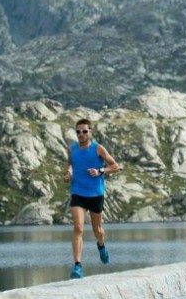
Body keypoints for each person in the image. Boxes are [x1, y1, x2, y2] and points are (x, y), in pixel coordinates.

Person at [63, 118, 120, 279]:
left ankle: (101, 245)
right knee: (78, 227)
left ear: (90, 132)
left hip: (96, 194)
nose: (81, 134)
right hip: (78, 193)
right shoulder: (72, 149)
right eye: (78, 131)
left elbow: (116, 167)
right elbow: (70, 164)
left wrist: (100, 171)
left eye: (84, 131)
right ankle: (77, 266)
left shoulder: (98, 149)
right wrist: (68, 173)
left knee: (97, 230)